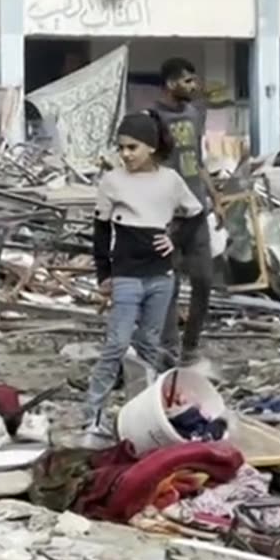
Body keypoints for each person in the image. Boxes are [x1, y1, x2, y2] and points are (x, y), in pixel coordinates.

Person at [85, 112, 203, 438]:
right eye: (121, 148)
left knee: (150, 346)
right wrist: (103, 275)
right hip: (126, 275)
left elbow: (195, 213)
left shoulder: (170, 181)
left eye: (132, 147)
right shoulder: (112, 182)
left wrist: (174, 239)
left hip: (161, 277)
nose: (125, 154)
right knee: (116, 344)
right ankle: (92, 416)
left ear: (150, 147)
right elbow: (100, 231)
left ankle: (139, 416)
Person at [153, 57, 218, 367]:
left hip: (197, 212)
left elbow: (198, 160)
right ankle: (168, 348)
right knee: (170, 283)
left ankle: (191, 345)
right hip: (168, 216)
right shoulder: (152, 118)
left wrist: (214, 194)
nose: (194, 86)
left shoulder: (195, 114)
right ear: (171, 84)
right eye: (188, 81)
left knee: (204, 280)